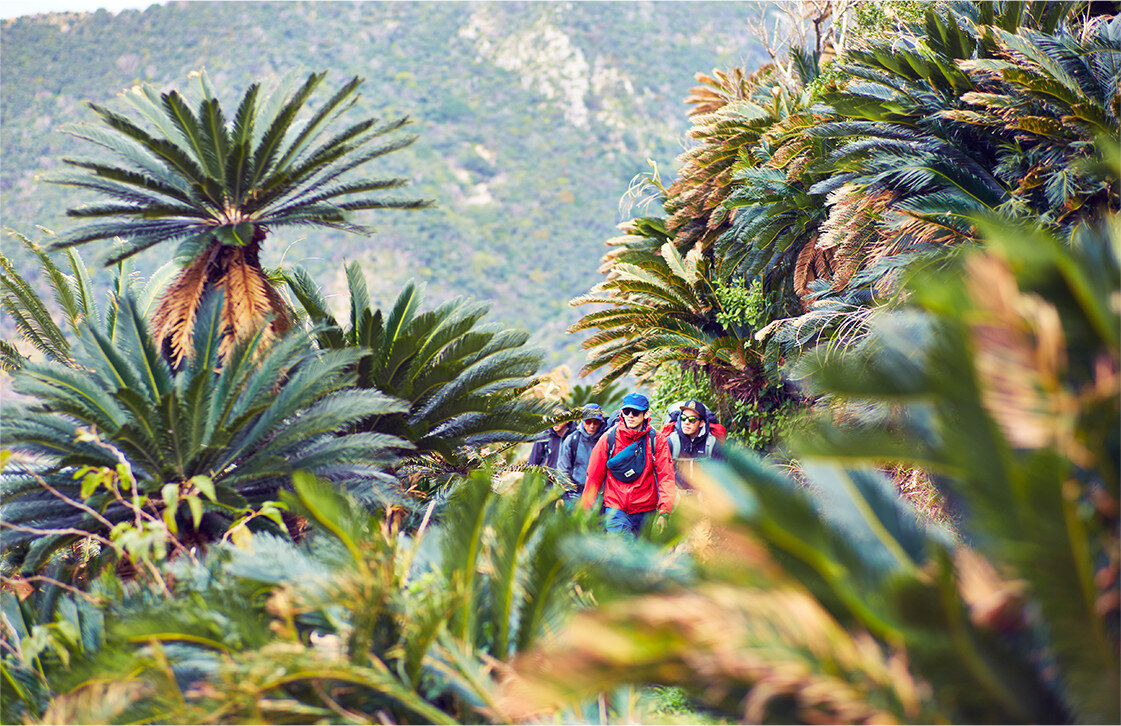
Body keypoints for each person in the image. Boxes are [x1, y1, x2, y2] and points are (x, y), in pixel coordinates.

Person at [580, 393, 675, 537]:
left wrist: (664, 512)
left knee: (639, 556)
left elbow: (666, 476)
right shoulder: (608, 438)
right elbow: (594, 476)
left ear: (645, 414)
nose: (630, 415)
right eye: (626, 411)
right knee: (621, 552)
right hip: (615, 508)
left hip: (645, 510)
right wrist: (585, 508)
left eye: (636, 412)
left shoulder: (656, 439)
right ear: (622, 413)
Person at [666, 399, 723, 493]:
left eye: (692, 419)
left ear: (702, 423)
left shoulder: (712, 444)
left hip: (704, 503)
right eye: (683, 418)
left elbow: (721, 477)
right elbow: (661, 475)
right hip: (677, 501)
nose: (686, 422)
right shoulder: (671, 442)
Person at [556, 403, 607, 503]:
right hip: (575, 496)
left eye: (596, 422)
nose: (592, 425)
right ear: (581, 420)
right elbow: (563, 470)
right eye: (588, 421)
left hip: (599, 497)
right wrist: (567, 494)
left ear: (602, 420)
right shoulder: (572, 440)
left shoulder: (607, 439)